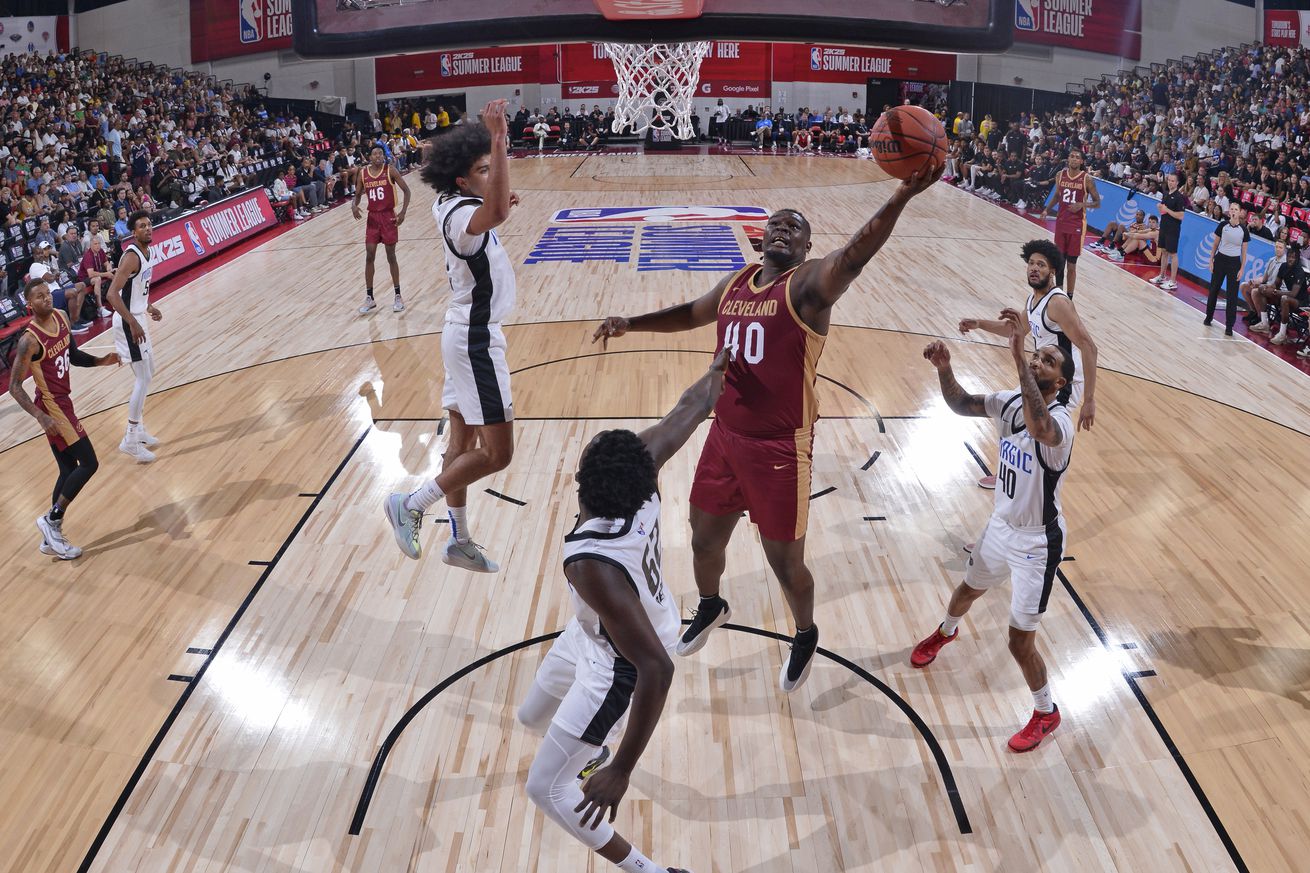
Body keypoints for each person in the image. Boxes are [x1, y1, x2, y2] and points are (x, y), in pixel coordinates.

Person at [592, 164, 943, 693]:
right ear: (761, 238)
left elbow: (854, 255)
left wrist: (900, 196)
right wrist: (632, 322)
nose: (782, 229)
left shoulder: (806, 288)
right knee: (703, 539)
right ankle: (711, 605)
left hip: (781, 447)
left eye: (794, 227)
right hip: (724, 435)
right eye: (775, 224)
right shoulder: (735, 282)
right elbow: (691, 313)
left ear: (805, 247)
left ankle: (806, 632)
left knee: (785, 566)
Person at [516, 349, 728, 873]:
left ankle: (650, 871)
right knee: (530, 718)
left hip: (622, 662)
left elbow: (657, 667)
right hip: (596, 632)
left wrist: (625, 770)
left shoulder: (591, 566)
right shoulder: (642, 473)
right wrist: (722, 367)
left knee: (546, 788)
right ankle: (593, 748)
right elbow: (692, 406)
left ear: (580, 483)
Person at [911, 310, 1077, 753]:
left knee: (1019, 642)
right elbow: (961, 404)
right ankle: (946, 631)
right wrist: (945, 369)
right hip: (1001, 526)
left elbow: (1040, 428)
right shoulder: (1007, 402)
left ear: (1059, 383)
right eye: (1037, 357)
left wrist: (1020, 355)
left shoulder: (1060, 425)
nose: (1039, 363)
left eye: (1048, 362)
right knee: (967, 589)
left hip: (1038, 544)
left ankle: (1046, 712)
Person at [383, 99, 521, 572]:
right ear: (462, 181)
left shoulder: (457, 203)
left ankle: (460, 540)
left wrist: (496, 188)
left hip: (464, 334)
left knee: (460, 447)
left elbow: (495, 203)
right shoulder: (464, 217)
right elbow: (496, 211)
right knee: (497, 454)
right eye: (483, 169)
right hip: (476, 342)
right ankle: (412, 504)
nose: (491, 174)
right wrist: (499, 139)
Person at [959, 239, 1098, 490]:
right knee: (1011, 411)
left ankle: (1037, 484)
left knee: (1041, 429)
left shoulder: (1058, 303)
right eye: (1031, 263)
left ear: (1053, 270)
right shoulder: (1032, 300)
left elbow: (1089, 346)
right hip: (1040, 373)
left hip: (1062, 381)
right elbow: (1015, 329)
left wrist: (1089, 399)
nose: (1034, 268)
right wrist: (979, 323)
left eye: (1041, 265)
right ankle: (1008, 474)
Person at [8, 278, 120, 559]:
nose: (46, 299)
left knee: (68, 470)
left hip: (63, 402)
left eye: (47, 294)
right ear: (28, 304)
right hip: (51, 408)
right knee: (90, 463)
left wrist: (100, 361)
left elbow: (73, 355)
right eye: (39, 296)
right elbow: (14, 387)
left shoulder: (60, 317)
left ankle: (49, 538)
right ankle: (52, 520)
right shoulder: (29, 341)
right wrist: (40, 417)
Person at [104, 210, 162, 463]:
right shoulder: (131, 256)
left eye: (149, 224)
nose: (148, 228)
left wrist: (148, 307)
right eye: (142, 226)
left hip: (137, 317)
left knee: (149, 372)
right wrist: (133, 323)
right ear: (133, 232)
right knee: (143, 377)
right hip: (128, 323)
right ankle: (130, 438)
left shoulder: (148, 252)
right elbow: (112, 295)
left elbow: (134, 289)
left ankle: (138, 431)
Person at [352, 144, 411, 315]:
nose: (377, 156)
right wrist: (353, 207)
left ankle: (398, 295)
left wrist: (403, 212)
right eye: (374, 153)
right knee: (369, 255)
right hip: (372, 218)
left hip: (388, 216)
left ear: (383, 156)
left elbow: (407, 191)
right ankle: (370, 297)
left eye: (380, 153)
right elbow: (356, 195)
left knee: (391, 256)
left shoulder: (390, 170)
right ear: (369, 157)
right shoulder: (363, 173)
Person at [1041, 149, 1100, 298]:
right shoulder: (1060, 175)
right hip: (1061, 223)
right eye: (1071, 156)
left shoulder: (1087, 179)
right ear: (1068, 159)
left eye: (1077, 157)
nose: (1074, 159)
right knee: (1059, 261)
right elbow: (1056, 196)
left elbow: (1097, 202)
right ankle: (1059, 294)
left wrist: (1082, 205)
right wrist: (1046, 210)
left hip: (1077, 225)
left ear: (1081, 161)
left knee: (1072, 265)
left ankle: (1070, 297)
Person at [1204, 202, 1250, 336]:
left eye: (1236, 209)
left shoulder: (1244, 230)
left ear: (1240, 212)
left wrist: (1242, 269)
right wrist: (1211, 259)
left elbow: (1244, 252)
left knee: (1232, 295)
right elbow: (1215, 244)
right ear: (1229, 211)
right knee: (1214, 289)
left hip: (1234, 263)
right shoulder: (1222, 225)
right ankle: (1208, 317)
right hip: (1220, 260)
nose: (1234, 211)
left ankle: (1229, 326)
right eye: (1232, 209)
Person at [1151, 172, 1187, 290]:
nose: (1170, 182)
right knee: (1164, 252)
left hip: (1173, 228)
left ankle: (1173, 281)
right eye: (1169, 180)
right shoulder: (1165, 194)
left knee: (1173, 253)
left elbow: (1181, 216)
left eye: (1173, 181)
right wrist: (1160, 208)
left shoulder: (1179, 198)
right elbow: (1163, 212)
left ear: (1177, 183)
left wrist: (1167, 209)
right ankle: (1162, 276)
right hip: (1164, 226)